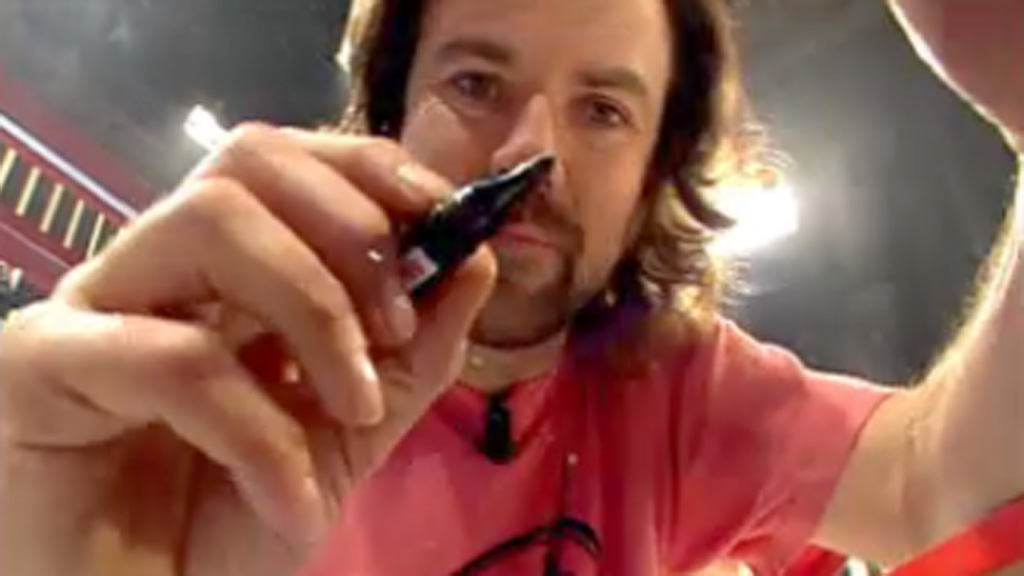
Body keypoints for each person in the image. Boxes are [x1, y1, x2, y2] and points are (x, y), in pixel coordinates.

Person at [0, 0, 1020, 574]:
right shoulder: (229, 357)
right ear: (390, 112)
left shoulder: (683, 394)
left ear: (654, 173)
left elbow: (928, 489)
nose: (530, 156)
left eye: (603, 111)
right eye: (476, 84)